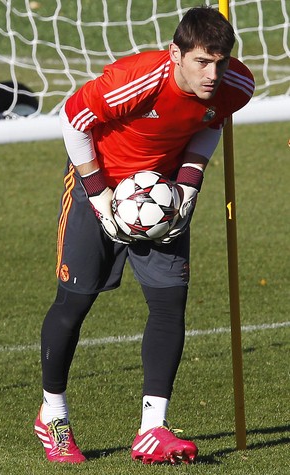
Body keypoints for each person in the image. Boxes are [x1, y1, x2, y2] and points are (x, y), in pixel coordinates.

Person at [34, 5, 255, 465]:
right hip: (98, 180)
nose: (213, 73)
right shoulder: (135, 79)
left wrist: (190, 180)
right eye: (202, 61)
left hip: (165, 196)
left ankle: (152, 430)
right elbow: (73, 122)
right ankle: (52, 415)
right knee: (74, 303)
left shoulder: (236, 86)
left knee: (169, 301)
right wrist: (99, 197)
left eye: (221, 61)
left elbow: (209, 124)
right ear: (176, 53)